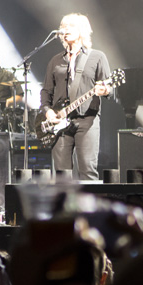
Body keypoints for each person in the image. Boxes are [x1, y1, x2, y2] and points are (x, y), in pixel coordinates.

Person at [39, 13, 113, 180]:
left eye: (70, 27)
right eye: (63, 27)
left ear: (82, 31)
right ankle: (66, 206)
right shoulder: (55, 61)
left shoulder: (97, 57)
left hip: (87, 120)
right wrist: (48, 111)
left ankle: (89, 206)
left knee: (87, 171)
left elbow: (109, 88)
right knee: (62, 175)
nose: (65, 30)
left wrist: (105, 90)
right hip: (60, 123)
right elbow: (46, 91)